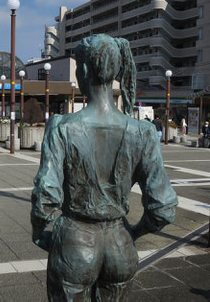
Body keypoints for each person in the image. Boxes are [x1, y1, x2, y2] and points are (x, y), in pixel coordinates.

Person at [31, 35, 177, 301]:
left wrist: (39, 231)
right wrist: (133, 232)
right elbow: (163, 207)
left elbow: (46, 194)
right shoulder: (142, 132)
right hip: (120, 244)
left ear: (84, 70)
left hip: (75, 241)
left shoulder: (62, 127)